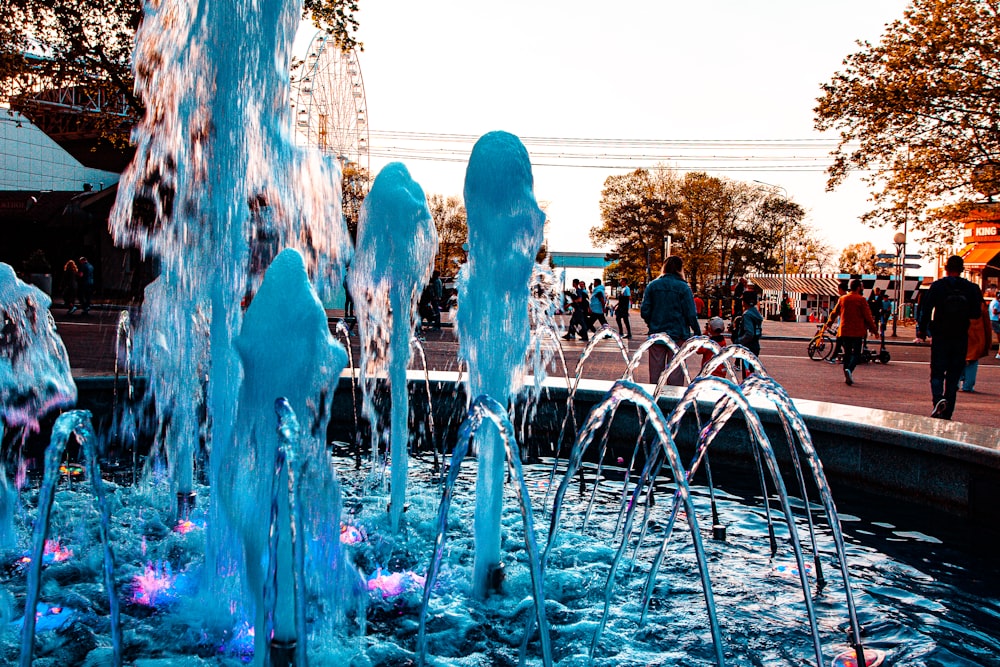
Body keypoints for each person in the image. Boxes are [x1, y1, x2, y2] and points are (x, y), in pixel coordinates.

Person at [916, 255, 984, 419]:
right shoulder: (971, 288)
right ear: (962, 270)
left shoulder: (938, 286)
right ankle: (948, 411)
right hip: (960, 336)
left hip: (941, 334)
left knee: (937, 373)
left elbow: (926, 310)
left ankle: (938, 400)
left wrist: (922, 330)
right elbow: (976, 313)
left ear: (946, 269)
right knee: (953, 376)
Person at [640, 255, 700, 385]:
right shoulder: (684, 288)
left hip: (657, 334)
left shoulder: (653, 286)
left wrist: (652, 323)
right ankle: (672, 401)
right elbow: (691, 313)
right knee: (676, 372)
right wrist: (697, 332)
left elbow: (644, 310)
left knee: (655, 373)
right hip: (678, 334)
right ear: (680, 269)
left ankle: (655, 400)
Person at [826, 278, 878, 386]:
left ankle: (847, 374)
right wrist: (875, 330)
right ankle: (849, 370)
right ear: (858, 287)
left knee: (847, 353)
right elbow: (868, 317)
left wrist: (829, 323)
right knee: (857, 354)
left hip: (844, 330)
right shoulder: (861, 300)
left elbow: (834, 312)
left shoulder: (843, 299)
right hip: (857, 331)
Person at [959, 299, 992, 392]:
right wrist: (988, 342)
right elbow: (987, 325)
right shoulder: (980, 305)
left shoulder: (958, 301)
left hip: (959, 335)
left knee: (957, 360)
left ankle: (955, 383)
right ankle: (968, 386)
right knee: (972, 362)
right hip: (976, 337)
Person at [989, 289, 1000, 359]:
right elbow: (994, 311)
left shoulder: (993, 301)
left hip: (993, 320)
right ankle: (999, 353)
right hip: (996, 320)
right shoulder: (997, 303)